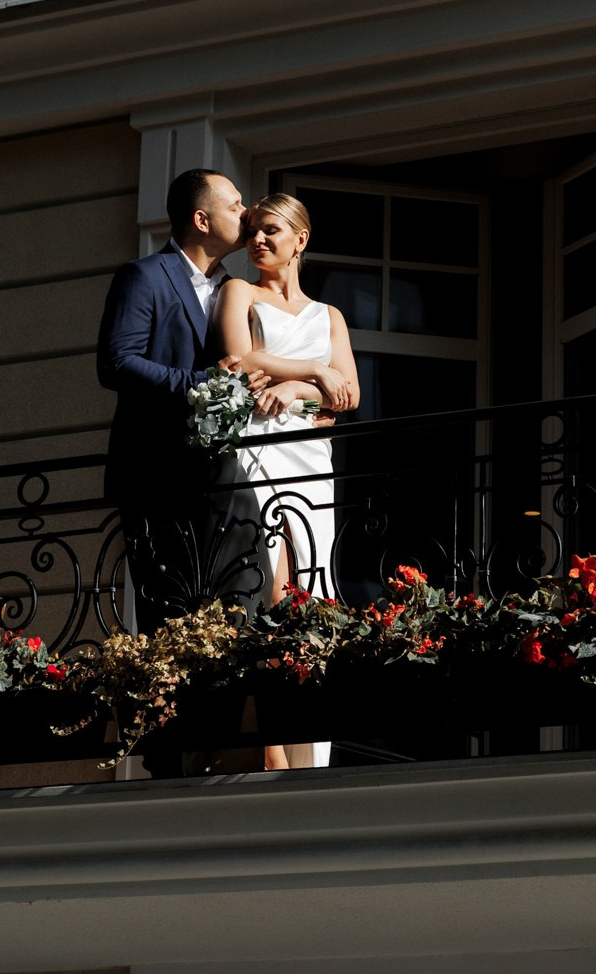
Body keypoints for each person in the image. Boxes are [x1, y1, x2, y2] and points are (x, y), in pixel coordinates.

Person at [214, 193, 362, 770]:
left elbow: (349, 394)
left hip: (308, 457)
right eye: (251, 230)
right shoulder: (239, 292)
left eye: (271, 230)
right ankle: (271, 747)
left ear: (301, 239)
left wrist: (300, 389)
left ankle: (308, 750)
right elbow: (236, 360)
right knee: (269, 591)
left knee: (310, 596)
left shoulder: (330, 316)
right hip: (256, 450)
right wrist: (314, 372)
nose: (258, 240)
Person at [96, 169, 266, 643]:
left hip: (216, 477)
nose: (246, 212)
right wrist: (199, 383)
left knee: (237, 602)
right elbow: (116, 363)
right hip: (156, 473)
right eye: (234, 205)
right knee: (169, 622)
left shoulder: (234, 291)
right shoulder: (144, 275)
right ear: (201, 219)